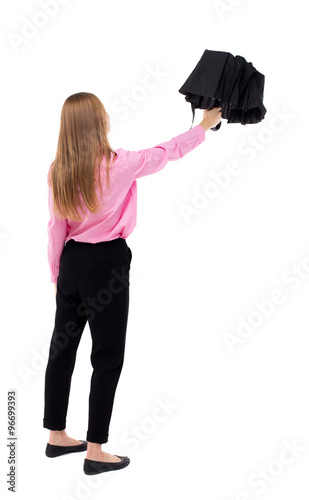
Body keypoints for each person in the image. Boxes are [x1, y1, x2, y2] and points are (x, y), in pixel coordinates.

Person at [43, 92, 221, 475]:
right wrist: (204, 126)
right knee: (107, 356)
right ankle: (95, 450)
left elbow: (56, 228)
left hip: (71, 263)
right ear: (98, 122)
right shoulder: (119, 164)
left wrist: (58, 276)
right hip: (105, 264)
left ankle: (56, 436)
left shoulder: (58, 169)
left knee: (62, 351)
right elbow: (168, 151)